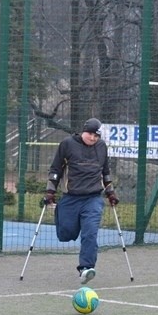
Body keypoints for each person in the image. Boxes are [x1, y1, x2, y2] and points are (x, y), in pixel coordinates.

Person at [44, 118, 119, 284]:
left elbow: (105, 172)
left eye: (96, 135)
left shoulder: (101, 147)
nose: (92, 138)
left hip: (93, 198)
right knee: (66, 234)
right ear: (83, 131)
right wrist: (50, 191)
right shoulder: (67, 144)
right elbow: (55, 169)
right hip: (70, 198)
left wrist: (111, 193)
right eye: (90, 134)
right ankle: (60, 213)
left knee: (90, 233)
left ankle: (86, 268)